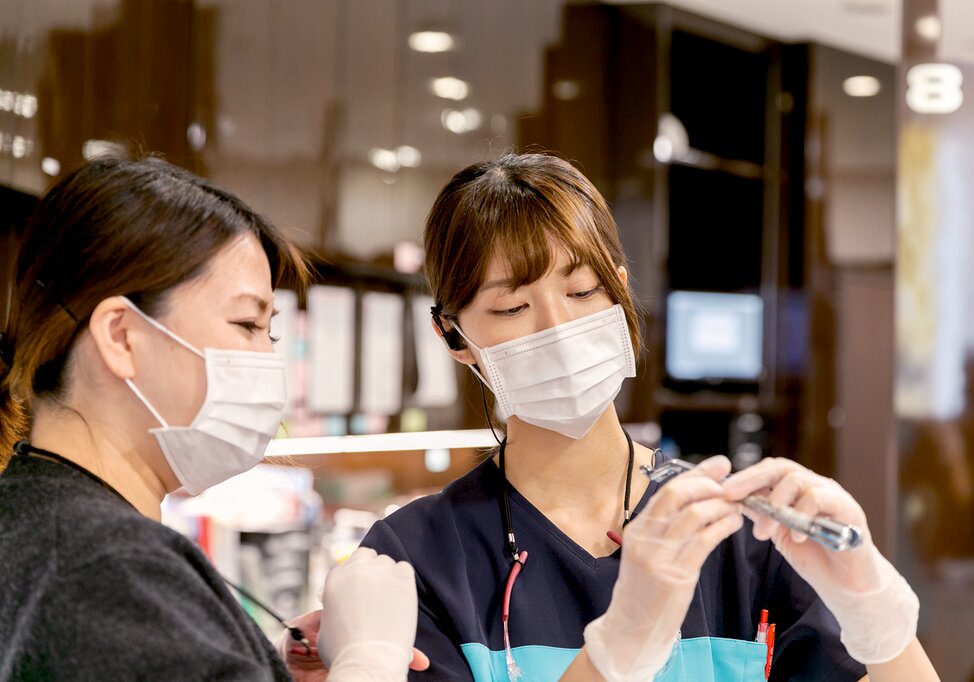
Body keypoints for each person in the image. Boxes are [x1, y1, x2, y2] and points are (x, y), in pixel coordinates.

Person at [360, 153, 940, 681]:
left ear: (620, 287)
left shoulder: (743, 537)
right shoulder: (415, 561)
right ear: (452, 336)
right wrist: (619, 646)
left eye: (583, 292)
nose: (558, 328)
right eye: (512, 307)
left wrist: (878, 613)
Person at [0, 156, 422, 681]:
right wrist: (371, 658)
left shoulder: (36, 516)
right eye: (247, 323)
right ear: (121, 337)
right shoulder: (104, 568)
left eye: (269, 333)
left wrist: (257, 666)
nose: (269, 363)